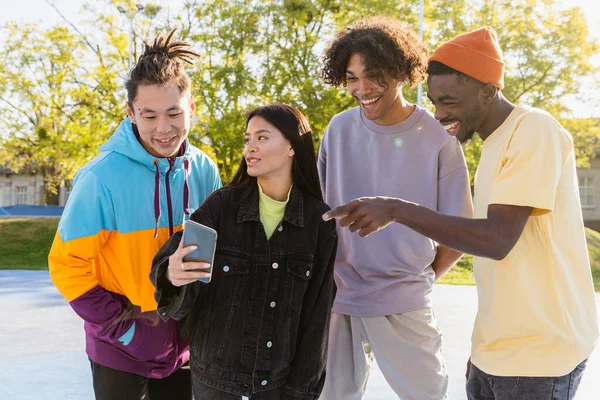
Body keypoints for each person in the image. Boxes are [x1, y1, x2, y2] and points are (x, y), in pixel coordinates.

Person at [324, 27, 599, 400]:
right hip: (497, 353)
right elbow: (492, 259)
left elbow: (495, 240)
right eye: (435, 102)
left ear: (487, 91)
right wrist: (483, 351)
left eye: (449, 101)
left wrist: (396, 210)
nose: (439, 114)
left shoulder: (534, 129)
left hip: (540, 354)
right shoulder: (492, 146)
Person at [48, 30, 221, 400]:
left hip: (188, 346)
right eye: (149, 115)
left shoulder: (205, 169)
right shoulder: (101, 178)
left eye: (174, 112)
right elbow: (67, 266)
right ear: (130, 113)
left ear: (191, 108)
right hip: (121, 352)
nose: (164, 128)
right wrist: (127, 329)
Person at [317, 16, 473, 400]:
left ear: (402, 72)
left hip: (404, 299)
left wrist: (422, 280)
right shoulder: (337, 130)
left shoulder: (439, 139)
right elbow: (317, 217)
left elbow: (459, 233)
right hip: (339, 297)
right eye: (352, 77)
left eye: (373, 75)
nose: (362, 88)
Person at [150, 104, 338, 400]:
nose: (250, 147)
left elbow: (317, 316)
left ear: (292, 146)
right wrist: (172, 274)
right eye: (248, 139)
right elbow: (172, 270)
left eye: (262, 138)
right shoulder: (220, 207)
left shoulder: (319, 222)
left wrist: (303, 391)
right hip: (215, 380)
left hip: (278, 383)